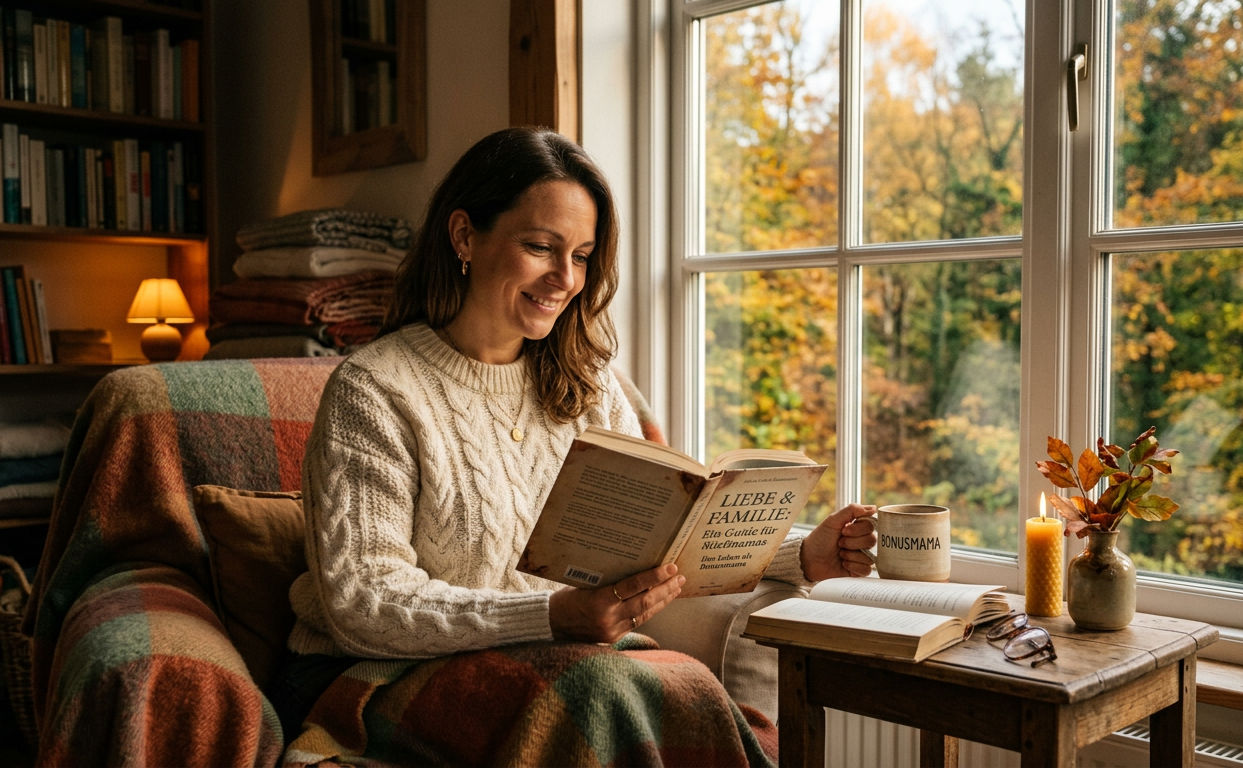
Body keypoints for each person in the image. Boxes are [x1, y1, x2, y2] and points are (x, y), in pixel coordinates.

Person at [271, 126, 878, 748]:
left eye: (583, 256)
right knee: (603, 691)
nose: (565, 277)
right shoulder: (375, 389)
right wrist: (551, 616)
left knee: (678, 688)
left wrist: (799, 556)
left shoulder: (586, 381)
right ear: (464, 236)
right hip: (374, 672)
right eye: (541, 247)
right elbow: (364, 600)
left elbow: (663, 543)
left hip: (550, 659)